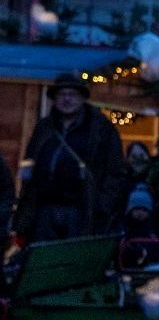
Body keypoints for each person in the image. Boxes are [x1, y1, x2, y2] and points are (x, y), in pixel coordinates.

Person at [11, 73, 127, 245]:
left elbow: (116, 171)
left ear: (82, 98)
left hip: (82, 209)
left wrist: (103, 204)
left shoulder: (101, 130)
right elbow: (31, 164)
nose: (67, 100)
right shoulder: (44, 128)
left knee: (74, 258)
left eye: (72, 95)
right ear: (55, 99)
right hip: (45, 208)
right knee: (44, 259)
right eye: (62, 95)